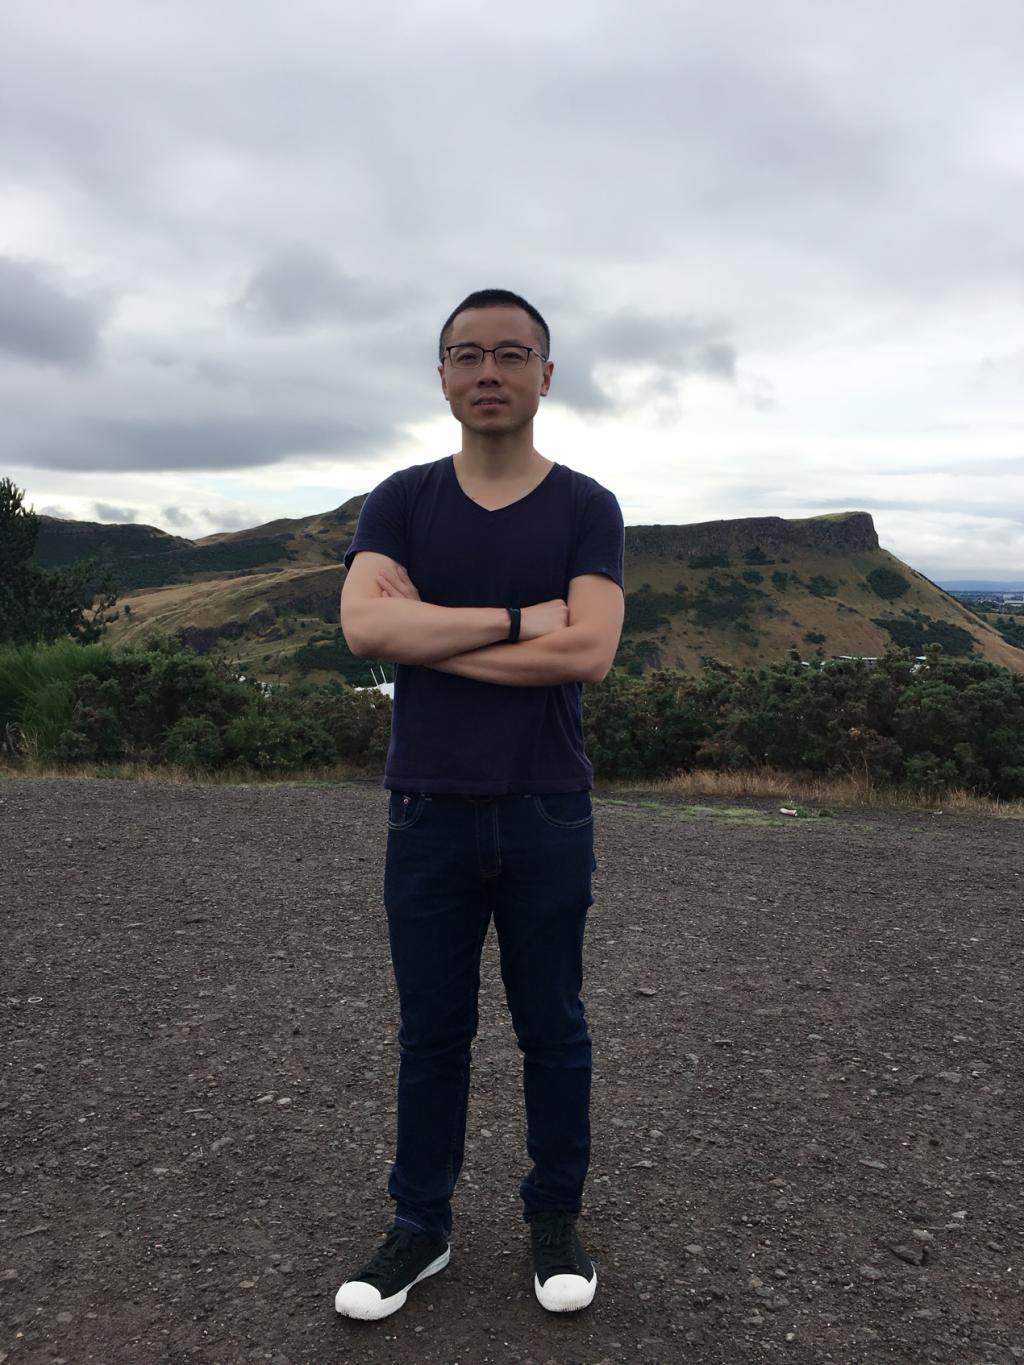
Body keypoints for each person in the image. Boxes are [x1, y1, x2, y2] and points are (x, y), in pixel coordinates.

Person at [334, 288, 625, 1322]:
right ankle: (421, 1226)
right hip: (428, 809)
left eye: (510, 354)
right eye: (467, 354)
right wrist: (518, 620)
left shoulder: (586, 506)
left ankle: (555, 1220)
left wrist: (436, 637)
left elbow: (588, 652)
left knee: (554, 1027)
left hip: (548, 806)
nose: (487, 372)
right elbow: (365, 632)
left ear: (546, 374)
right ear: (443, 376)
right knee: (431, 1033)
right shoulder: (401, 500)